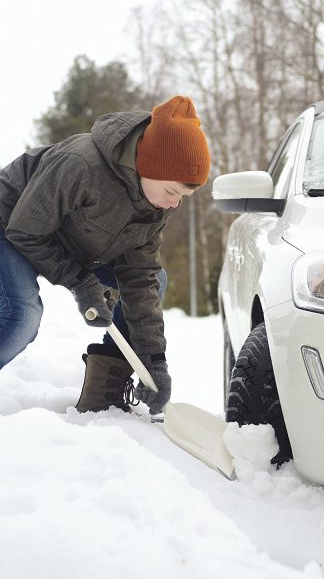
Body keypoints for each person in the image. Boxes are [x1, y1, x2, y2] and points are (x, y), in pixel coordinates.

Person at [0, 95, 210, 416]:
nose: (174, 204)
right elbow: (25, 231)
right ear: (148, 166)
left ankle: (103, 395)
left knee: (156, 279)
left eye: (182, 196)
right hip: (11, 226)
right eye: (172, 191)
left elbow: (140, 278)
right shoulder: (81, 164)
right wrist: (81, 282)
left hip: (68, 241)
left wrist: (153, 361)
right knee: (22, 316)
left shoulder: (154, 204)